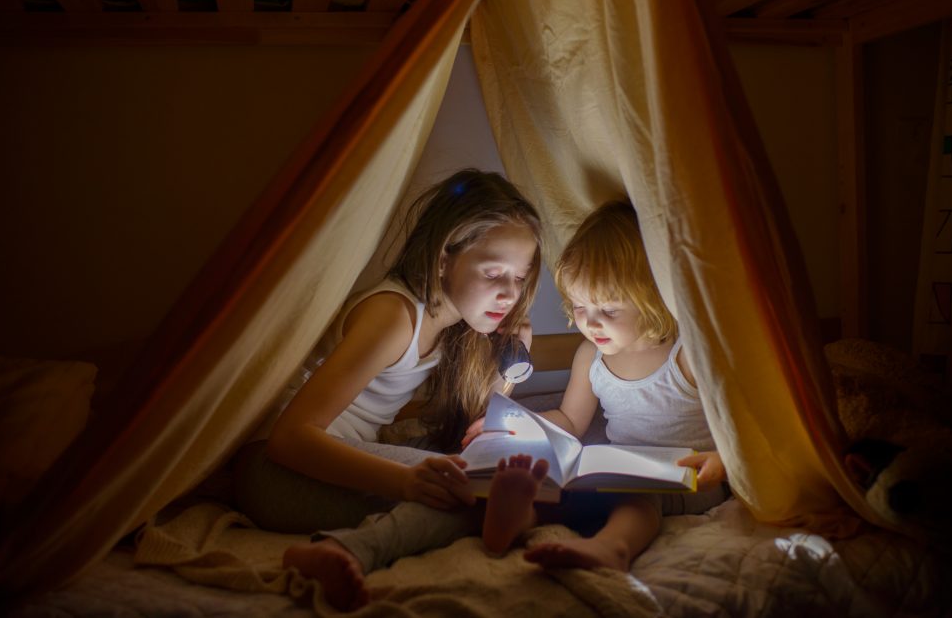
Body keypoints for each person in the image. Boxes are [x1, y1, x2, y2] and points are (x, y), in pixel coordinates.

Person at [282, 199, 729, 611]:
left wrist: (724, 459)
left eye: (609, 311)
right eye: (579, 307)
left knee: (638, 496)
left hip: (683, 475)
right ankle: (514, 518)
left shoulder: (689, 357)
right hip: (610, 473)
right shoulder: (591, 356)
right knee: (532, 479)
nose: (590, 324)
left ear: (654, 298)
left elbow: (746, 428)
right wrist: (514, 423)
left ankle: (612, 547)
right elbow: (570, 419)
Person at [232, 169, 543, 584]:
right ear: (444, 259)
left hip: (336, 457)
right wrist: (405, 481)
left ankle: (482, 513)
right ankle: (348, 550)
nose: (510, 294)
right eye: (493, 273)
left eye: (520, 278)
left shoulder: (451, 328)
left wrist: (509, 364)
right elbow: (288, 438)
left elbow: (476, 431)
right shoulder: (393, 317)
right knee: (469, 491)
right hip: (276, 470)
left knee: (486, 479)